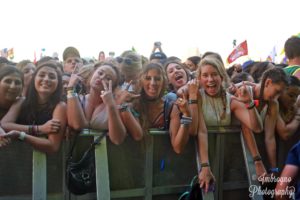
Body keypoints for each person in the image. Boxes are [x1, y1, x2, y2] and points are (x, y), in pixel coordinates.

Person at [195, 55, 263, 192]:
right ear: (200, 79)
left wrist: (249, 103)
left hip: (226, 161)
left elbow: (256, 127)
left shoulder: (230, 100)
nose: (210, 79)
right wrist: (205, 165)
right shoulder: (196, 96)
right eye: (205, 75)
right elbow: (201, 131)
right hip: (199, 161)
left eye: (214, 74)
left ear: (222, 76)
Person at [67, 61, 142, 144]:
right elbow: (77, 125)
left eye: (108, 78)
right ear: (93, 73)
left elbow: (118, 139)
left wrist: (110, 106)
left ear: (113, 87)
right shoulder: (77, 99)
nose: (101, 77)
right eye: (100, 73)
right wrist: (70, 89)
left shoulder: (116, 105)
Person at [0, 62, 66, 154]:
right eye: (42, 75)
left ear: (58, 83)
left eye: (52, 77)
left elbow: (52, 146)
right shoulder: (21, 101)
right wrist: (39, 129)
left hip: (46, 164)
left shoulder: (60, 106)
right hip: (15, 159)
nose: (46, 79)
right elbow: (4, 124)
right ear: (34, 79)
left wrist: (21, 135)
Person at [136, 62, 196, 153]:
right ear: (141, 81)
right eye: (148, 78)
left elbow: (178, 148)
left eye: (157, 79)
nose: (152, 83)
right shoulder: (132, 105)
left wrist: (186, 115)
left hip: (161, 161)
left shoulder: (170, 106)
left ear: (164, 81)